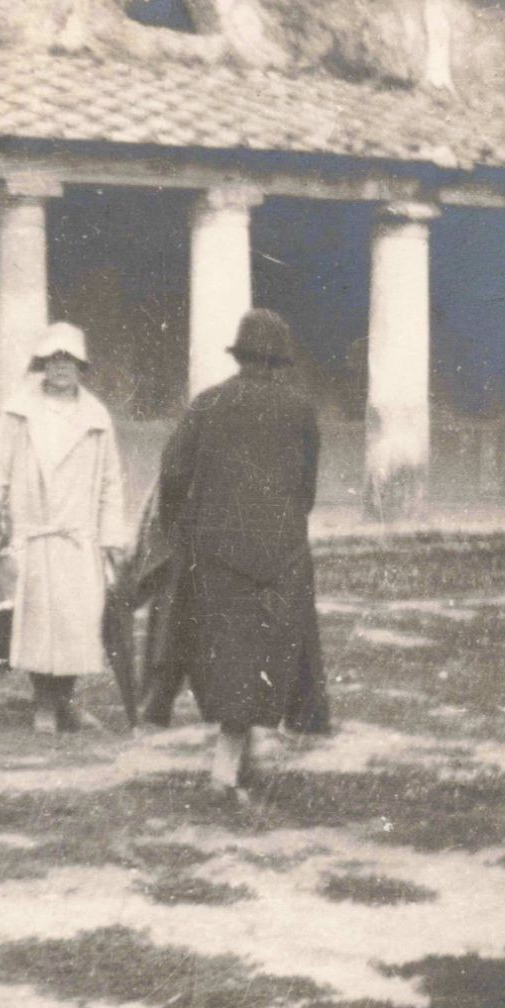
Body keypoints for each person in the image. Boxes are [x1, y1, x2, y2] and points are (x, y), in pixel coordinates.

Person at [157, 308, 330, 805]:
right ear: (279, 361)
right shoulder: (300, 410)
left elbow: (173, 475)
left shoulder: (208, 404)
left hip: (216, 552)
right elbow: (307, 488)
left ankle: (230, 764)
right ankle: (231, 764)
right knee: (266, 653)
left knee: (227, 655)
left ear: (241, 356)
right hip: (281, 552)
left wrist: (178, 526)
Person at [0, 322, 130, 735]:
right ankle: (45, 705)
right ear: (43, 364)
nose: (61, 367)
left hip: (78, 537)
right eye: (54, 359)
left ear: (81, 366)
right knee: (37, 625)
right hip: (33, 533)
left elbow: (112, 480)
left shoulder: (96, 417)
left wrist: (111, 536)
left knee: (77, 624)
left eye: (70, 360)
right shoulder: (19, 411)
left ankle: (66, 701)